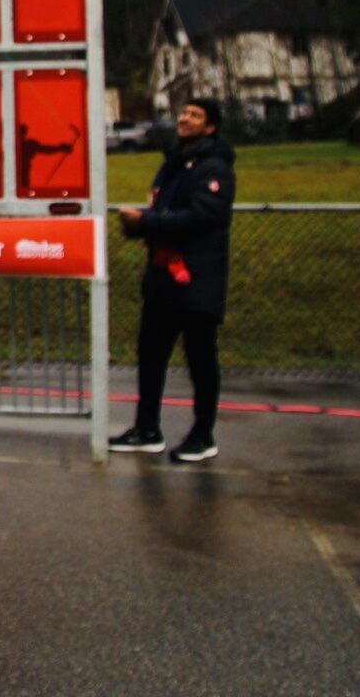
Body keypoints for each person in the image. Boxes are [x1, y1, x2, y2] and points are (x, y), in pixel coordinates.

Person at [109, 97, 236, 463]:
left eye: (195, 115)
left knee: (200, 360)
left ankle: (202, 434)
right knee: (150, 356)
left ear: (210, 127)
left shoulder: (215, 168)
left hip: (197, 280)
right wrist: (139, 226)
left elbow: (202, 218)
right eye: (183, 112)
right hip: (162, 278)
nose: (184, 118)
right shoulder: (172, 165)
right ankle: (147, 428)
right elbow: (165, 211)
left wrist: (146, 223)